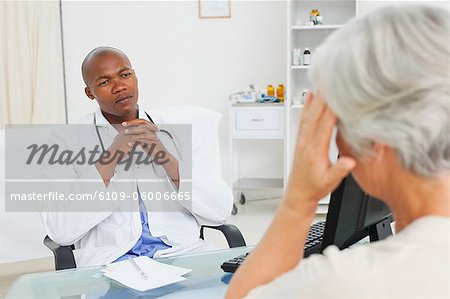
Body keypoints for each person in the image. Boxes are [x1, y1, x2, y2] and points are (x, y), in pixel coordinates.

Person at [227, 5, 450, 299]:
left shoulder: (350, 281)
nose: (337, 140)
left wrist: (297, 201)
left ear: (375, 139)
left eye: (338, 122)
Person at [41, 47, 233, 267]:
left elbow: (220, 211)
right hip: (111, 263)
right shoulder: (66, 140)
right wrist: (112, 155)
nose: (119, 86)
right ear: (89, 93)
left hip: (183, 254)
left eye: (125, 75)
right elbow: (60, 230)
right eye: (104, 82)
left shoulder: (176, 132)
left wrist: (163, 156)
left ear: (135, 76)